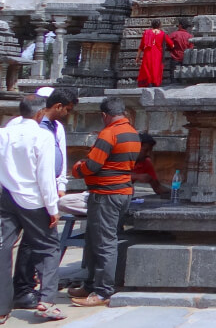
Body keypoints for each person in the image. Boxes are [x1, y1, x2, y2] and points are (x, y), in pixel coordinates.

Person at [69, 97, 141, 307]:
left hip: (106, 195)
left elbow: (92, 165)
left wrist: (77, 168)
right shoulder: (133, 133)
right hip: (121, 192)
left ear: (105, 115)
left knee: (104, 243)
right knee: (95, 240)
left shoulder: (108, 133)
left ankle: (103, 292)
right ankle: (90, 285)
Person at [11, 87, 78, 313]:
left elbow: (61, 157)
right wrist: (51, 206)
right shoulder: (23, 129)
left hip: (40, 191)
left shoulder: (56, 128)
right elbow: (39, 171)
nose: (66, 114)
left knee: (31, 244)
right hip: (27, 193)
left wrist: (61, 185)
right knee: (38, 244)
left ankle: (27, 288)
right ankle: (27, 290)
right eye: (66, 110)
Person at [0, 95, 65, 321]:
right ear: (40, 114)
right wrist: (52, 207)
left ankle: (1, 308)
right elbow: (45, 176)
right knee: (48, 248)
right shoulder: (42, 136)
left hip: (7, 196)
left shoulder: (5, 132)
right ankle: (46, 301)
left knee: (3, 248)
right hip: (34, 200)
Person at [136, 19, 174, 87]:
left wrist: (138, 57)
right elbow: (172, 45)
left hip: (148, 53)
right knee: (156, 69)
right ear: (160, 25)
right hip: (158, 54)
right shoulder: (163, 34)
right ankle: (154, 84)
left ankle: (148, 83)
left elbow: (141, 46)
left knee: (147, 69)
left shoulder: (146, 32)